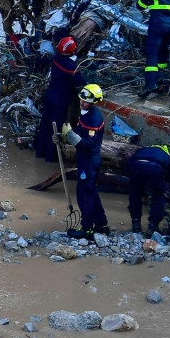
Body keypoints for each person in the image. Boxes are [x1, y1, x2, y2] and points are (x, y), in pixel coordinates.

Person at [62, 84, 109, 238]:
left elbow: (89, 144)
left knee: (84, 194)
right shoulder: (87, 113)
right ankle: (102, 224)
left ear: (94, 102)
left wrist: (70, 136)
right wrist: (64, 136)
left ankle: (87, 229)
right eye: (81, 100)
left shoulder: (93, 119)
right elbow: (80, 132)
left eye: (85, 101)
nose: (82, 103)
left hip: (89, 161)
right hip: (86, 159)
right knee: (92, 192)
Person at [35, 36, 86, 162]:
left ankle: (39, 153)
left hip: (49, 96)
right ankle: (50, 158)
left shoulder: (56, 59)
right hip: (61, 102)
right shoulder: (72, 67)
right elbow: (80, 83)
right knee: (55, 131)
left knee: (45, 125)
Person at [126, 144, 170, 237]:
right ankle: (152, 228)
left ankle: (135, 224)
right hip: (156, 169)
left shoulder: (142, 149)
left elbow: (127, 167)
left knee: (135, 193)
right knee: (158, 197)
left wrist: (133, 181)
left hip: (137, 165)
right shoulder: (167, 157)